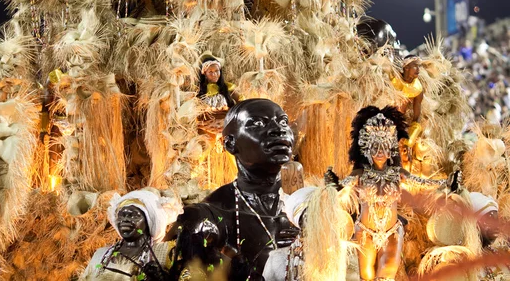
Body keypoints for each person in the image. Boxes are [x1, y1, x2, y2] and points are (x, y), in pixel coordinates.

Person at [167, 99, 298, 280]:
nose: (279, 129)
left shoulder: (315, 206)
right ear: (230, 143)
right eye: (258, 123)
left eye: (283, 122)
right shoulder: (207, 216)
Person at [325, 106, 458, 281]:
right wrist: (334, 184)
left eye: (384, 147)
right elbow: (342, 188)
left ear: (390, 150)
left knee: (386, 277)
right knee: (367, 277)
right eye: (375, 147)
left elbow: (423, 183)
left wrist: (447, 184)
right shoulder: (360, 174)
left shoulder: (398, 174)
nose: (379, 152)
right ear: (366, 149)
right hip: (365, 233)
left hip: (392, 233)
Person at [80, 189, 181, 280]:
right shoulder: (100, 254)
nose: (125, 220)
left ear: (149, 220)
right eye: (121, 216)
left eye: (133, 216)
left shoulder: (165, 252)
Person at [390, 55, 424, 146]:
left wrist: (412, 134)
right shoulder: (392, 79)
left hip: (399, 124)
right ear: (406, 68)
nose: (418, 69)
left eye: (419, 66)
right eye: (415, 66)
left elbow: (416, 118)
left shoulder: (417, 88)